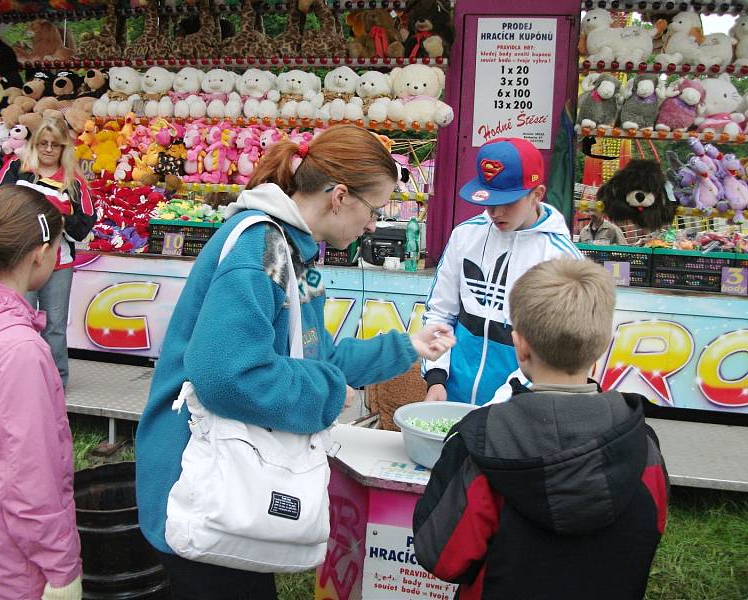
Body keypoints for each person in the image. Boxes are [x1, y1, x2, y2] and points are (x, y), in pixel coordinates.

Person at [135, 124, 456, 600]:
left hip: (234, 485)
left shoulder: (293, 254)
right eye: (374, 209)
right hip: (197, 483)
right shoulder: (260, 251)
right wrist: (326, 392)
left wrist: (407, 347)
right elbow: (228, 374)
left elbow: (315, 356)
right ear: (340, 196)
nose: (373, 225)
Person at [413, 258, 669, 600]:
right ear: (604, 343)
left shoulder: (481, 441)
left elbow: (441, 556)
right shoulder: (643, 444)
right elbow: (649, 532)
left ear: (520, 345)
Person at [0, 185, 82, 600]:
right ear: (41, 253)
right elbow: (31, 484)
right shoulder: (18, 351)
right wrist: (62, 569)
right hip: (4, 569)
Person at [422, 137, 584, 405]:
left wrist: (502, 404)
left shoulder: (562, 258)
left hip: (520, 405)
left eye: (508, 202)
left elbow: (556, 351)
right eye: (488, 201)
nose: (496, 212)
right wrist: (437, 378)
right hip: (453, 394)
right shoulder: (464, 236)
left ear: (537, 194)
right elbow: (441, 312)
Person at [0, 116, 95, 388]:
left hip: (59, 264)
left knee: (54, 327)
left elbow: (84, 226)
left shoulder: (75, 183)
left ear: (64, 149)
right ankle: (15, 381)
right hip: (18, 264)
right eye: (43, 143)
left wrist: (62, 221)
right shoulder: (16, 169)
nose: (48, 150)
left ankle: (55, 383)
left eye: (55, 145)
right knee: (17, 324)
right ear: (34, 144)